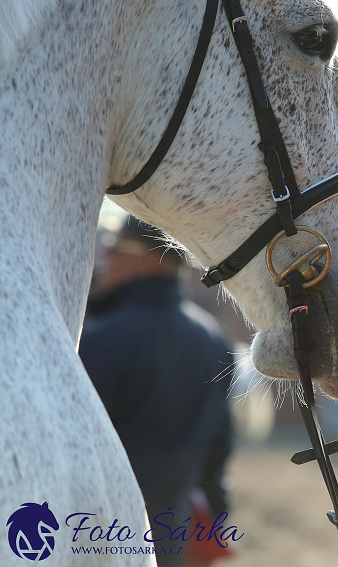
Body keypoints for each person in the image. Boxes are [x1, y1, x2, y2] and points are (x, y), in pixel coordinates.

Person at [80, 216, 234, 567]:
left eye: (115, 247)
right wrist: (217, 522)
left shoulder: (101, 339)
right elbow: (218, 452)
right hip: (171, 537)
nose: (104, 255)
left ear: (151, 260)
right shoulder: (214, 339)